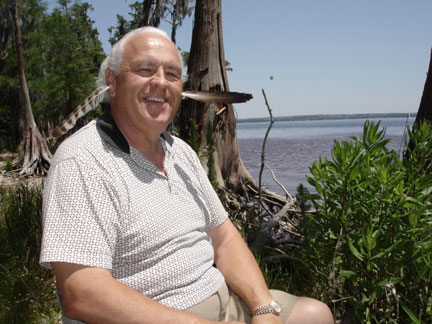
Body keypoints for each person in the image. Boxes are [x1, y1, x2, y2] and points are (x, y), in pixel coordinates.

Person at [40, 26, 334, 324]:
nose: (160, 82)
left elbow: (224, 239)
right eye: (145, 69)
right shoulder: (83, 159)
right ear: (112, 82)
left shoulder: (181, 152)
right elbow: (82, 292)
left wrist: (262, 308)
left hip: (225, 306)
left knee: (314, 314)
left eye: (172, 74)